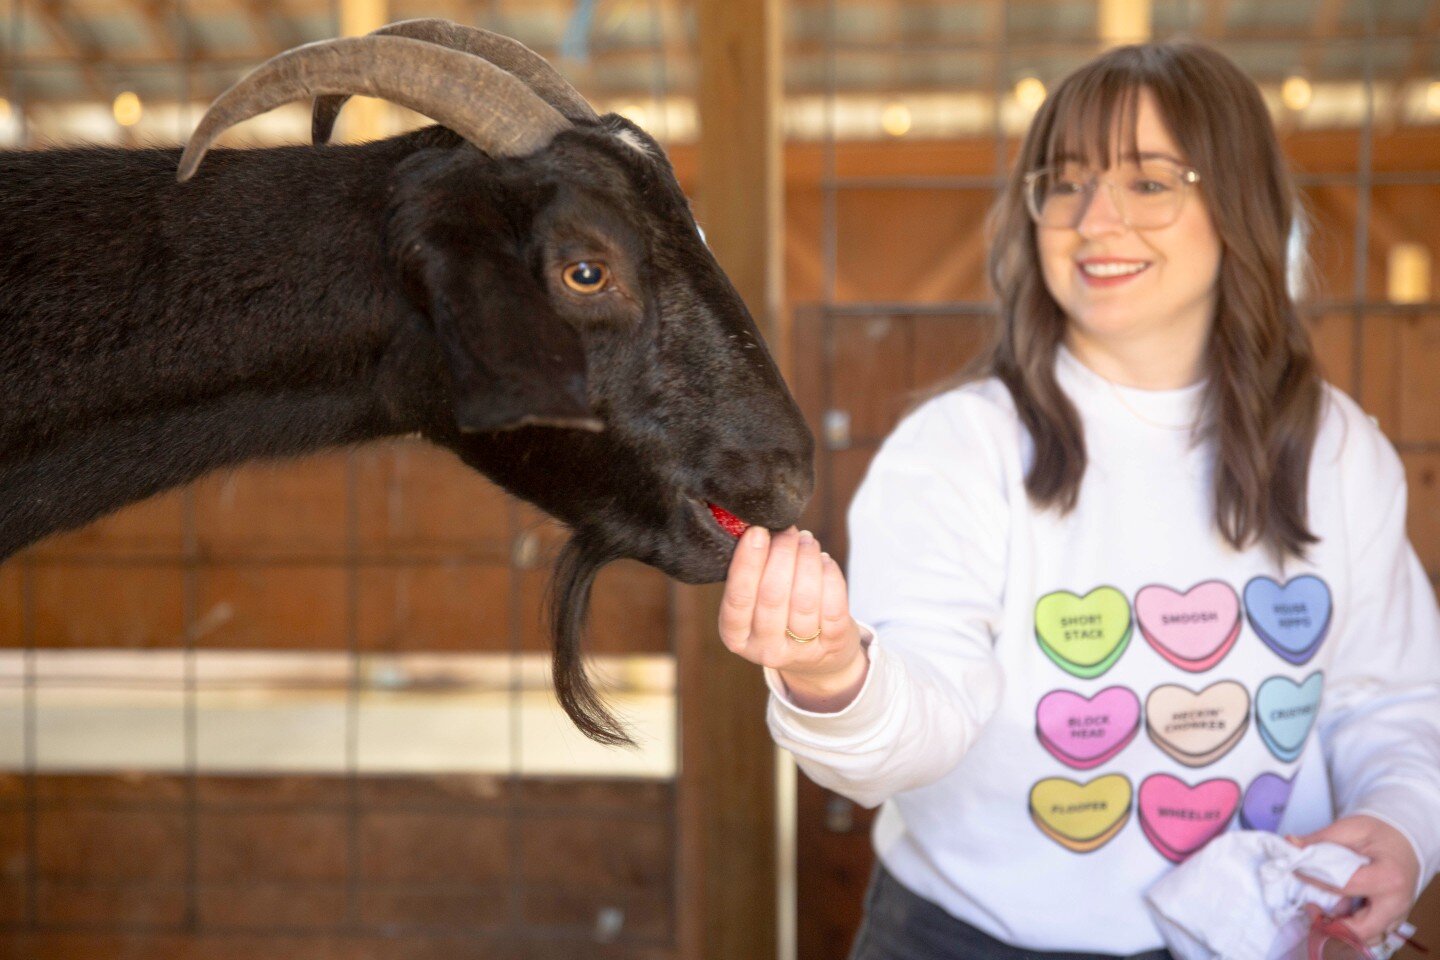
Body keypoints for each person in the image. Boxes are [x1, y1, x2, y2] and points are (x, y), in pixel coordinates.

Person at [717, 40, 1440, 960]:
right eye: (1064, 182)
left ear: (1239, 205)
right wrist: (833, 678)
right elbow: (919, 725)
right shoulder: (960, 448)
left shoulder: (1338, 451)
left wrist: (1403, 821)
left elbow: (1393, 701)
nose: (1095, 219)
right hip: (970, 941)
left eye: (1148, 183)